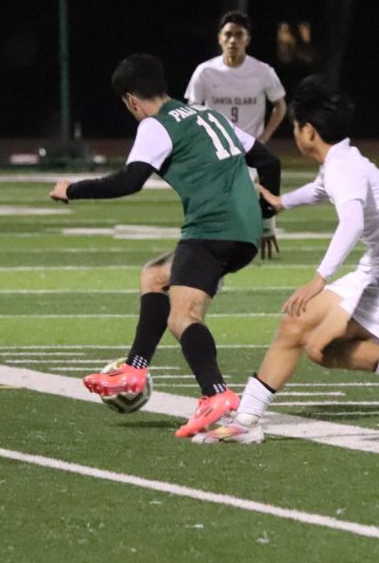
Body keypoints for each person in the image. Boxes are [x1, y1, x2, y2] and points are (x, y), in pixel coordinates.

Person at [193, 76, 379, 445]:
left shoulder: (342, 166)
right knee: (295, 325)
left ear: (309, 131)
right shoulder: (339, 160)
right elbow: (320, 189)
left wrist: (319, 279)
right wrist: (283, 202)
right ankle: (246, 421)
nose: (294, 132)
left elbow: (352, 221)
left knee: (320, 348)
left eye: (296, 126)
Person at [50, 53, 282, 438]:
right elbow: (268, 160)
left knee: (183, 316)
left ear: (131, 100)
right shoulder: (208, 115)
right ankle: (136, 368)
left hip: (211, 228)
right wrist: (266, 220)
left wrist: (72, 189)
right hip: (244, 232)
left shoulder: (156, 126)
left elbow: (129, 181)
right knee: (156, 275)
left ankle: (217, 394)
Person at [187, 11, 288, 259]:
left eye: (238, 35)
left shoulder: (262, 71)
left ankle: (265, 228)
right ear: (220, 38)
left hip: (250, 148)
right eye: (228, 34)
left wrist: (264, 137)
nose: (233, 40)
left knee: (257, 189)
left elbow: (281, 105)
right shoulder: (205, 72)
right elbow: (192, 110)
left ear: (247, 39)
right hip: (217, 148)